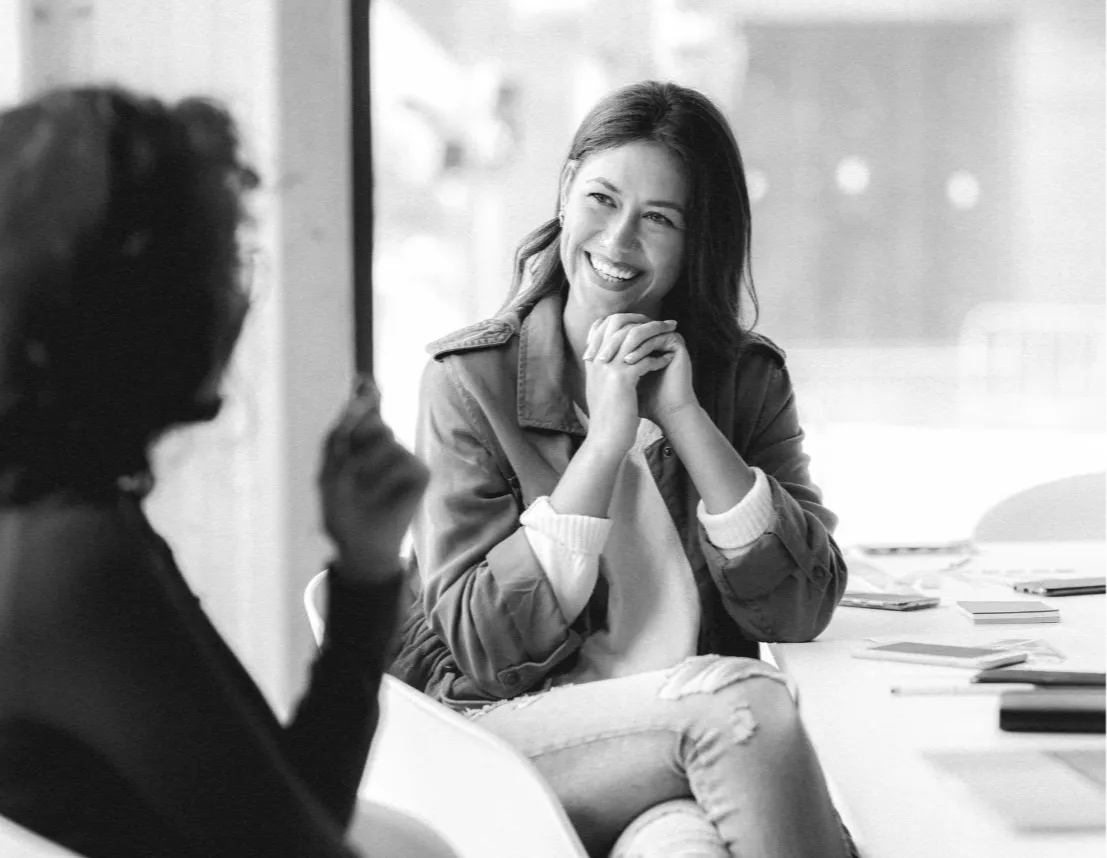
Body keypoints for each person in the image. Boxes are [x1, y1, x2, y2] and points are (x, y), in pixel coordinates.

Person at [392, 80, 856, 857]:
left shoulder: (744, 383)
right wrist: (603, 446)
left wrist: (684, 418)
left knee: (685, 847)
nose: (618, 240)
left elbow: (799, 609)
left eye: (659, 219)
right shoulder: (467, 381)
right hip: (513, 743)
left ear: (697, 239)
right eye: (602, 200)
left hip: (675, 758)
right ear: (567, 189)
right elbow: (483, 648)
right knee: (741, 704)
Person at [0, 86, 431, 857]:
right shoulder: (74, 560)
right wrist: (366, 586)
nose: (237, 296)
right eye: (221, 258)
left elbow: (294, 808)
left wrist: (365, 572)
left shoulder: (55, 516)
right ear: (139, 305)